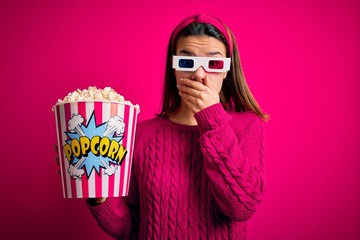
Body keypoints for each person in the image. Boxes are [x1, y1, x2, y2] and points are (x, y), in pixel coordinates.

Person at [87, 13, 268, 239]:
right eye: (186, 62)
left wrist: (211, 118)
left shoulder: (248, 126)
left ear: (227, 70)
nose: (199, 75)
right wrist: (96, 190)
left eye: (213, 63)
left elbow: (242, 206)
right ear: (173, 68)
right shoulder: (140, 135)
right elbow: (130, 227)